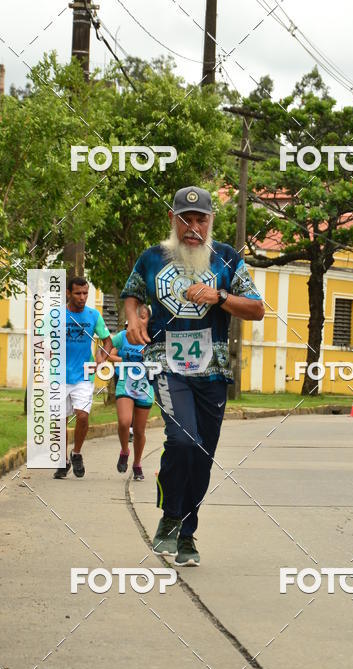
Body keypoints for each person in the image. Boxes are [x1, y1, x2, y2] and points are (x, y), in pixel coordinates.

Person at [121, 186, 265, 566]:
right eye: (185, 218)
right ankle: (169, 519)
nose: (193, 226)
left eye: (200, 219)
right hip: (166, 364)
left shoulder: (228, 260)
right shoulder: (152, 258)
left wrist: (219, 297)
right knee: (183, 439)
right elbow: (132, 294)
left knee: (203, 454)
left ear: (210, 222)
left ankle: (187, 534)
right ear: (173, 220)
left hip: (212, 370)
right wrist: (133, 317)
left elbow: (256, 309)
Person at [54, 276, 112, 480]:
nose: (82, 297)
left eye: (85, 293)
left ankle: (76, 453)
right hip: (58, 376)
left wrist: (101, 357)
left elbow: (107, 341)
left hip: (83, 375)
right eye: (78, 293)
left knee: (83, 417)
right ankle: (63, 460)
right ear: (68, 293)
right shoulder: (56, 315)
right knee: (59, 421)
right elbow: (41, 338)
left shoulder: (93, 315)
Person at [105, 306, 153, 478]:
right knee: (124, 422)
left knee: (139, 431)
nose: (139, 319)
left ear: (148, 320)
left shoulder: (153, 338)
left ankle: (137, 463)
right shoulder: (122, 336)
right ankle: (125, 451)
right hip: (125, 382)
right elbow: (107, 348)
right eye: (136, 316)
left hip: (145, 386)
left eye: (143, 317)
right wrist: (100, 357)